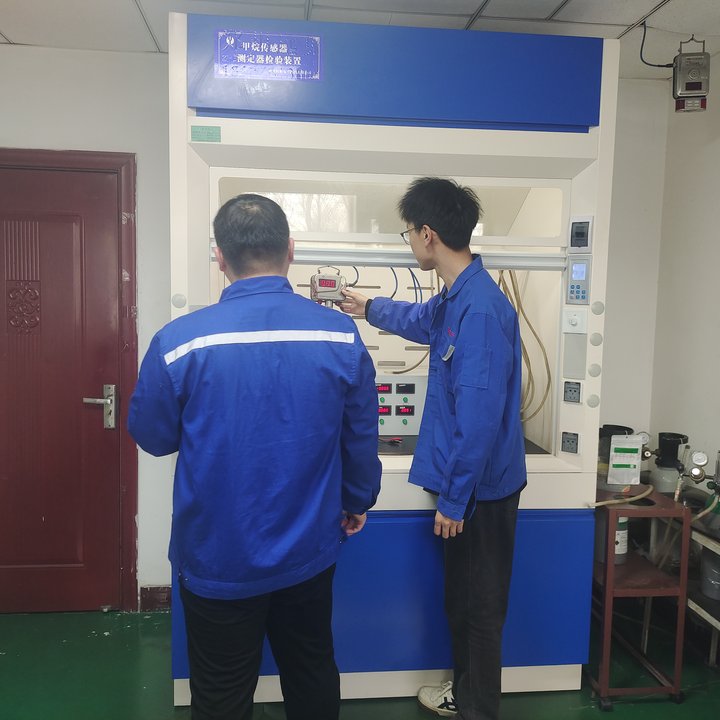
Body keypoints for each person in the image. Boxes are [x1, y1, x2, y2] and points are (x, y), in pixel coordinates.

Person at [129, 193, 382, 720]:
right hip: (308, 549)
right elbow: (360, 433)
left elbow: (153, 437)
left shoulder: (179, 343)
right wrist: (357, 499)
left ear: (220, 257)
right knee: (311, 670)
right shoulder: (339, 334)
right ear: (290, 250)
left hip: (216, 554)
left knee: (221, 692)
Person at [340, 177, 526, 720]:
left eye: (408, 233)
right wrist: (368, 306)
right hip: (466, 486)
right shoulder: (455, 298)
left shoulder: (481, 310)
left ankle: (477, 710)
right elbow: (419, 321)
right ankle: (464, 696)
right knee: (461, 603)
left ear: (428, 234)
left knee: (480, 610)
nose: (409, 243)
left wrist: (454, 499)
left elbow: (479, 419)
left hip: (481, 494)